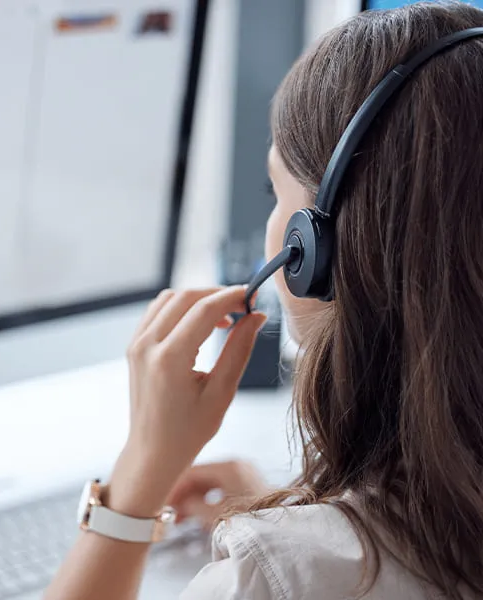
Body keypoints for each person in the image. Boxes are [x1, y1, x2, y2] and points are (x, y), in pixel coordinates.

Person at [44, 2, 483, 599]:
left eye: (272, 191)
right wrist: (296, 507)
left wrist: (138, 478)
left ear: (314, 248)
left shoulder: (289, 575)